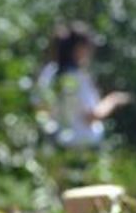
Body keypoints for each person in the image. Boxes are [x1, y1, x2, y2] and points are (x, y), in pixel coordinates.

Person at [36, 23, 131, 152]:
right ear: (79, 48)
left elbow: (40, 107)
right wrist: (113, 100)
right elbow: (92, 116)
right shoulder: (77, 77)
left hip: (56, 144)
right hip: (83, 146)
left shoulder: (49, 72)